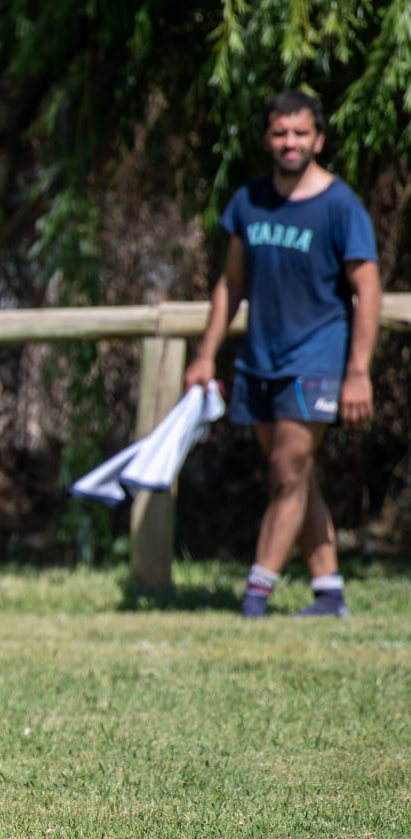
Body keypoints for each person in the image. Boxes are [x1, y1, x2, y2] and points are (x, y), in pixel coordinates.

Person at [184, 89, 381, 619]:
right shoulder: (248, 203)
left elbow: (369, 290)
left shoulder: (341, 206)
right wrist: (205, 355)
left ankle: (256, 595)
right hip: (258, 360)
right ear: (267, 138)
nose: (289, 142)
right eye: (279, 133)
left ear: (318, 138)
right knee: (297, 475)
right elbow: (230, 285)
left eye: (299, 133)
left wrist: (357, 372)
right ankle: (329, 591)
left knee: (287, 470)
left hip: (315, 357)